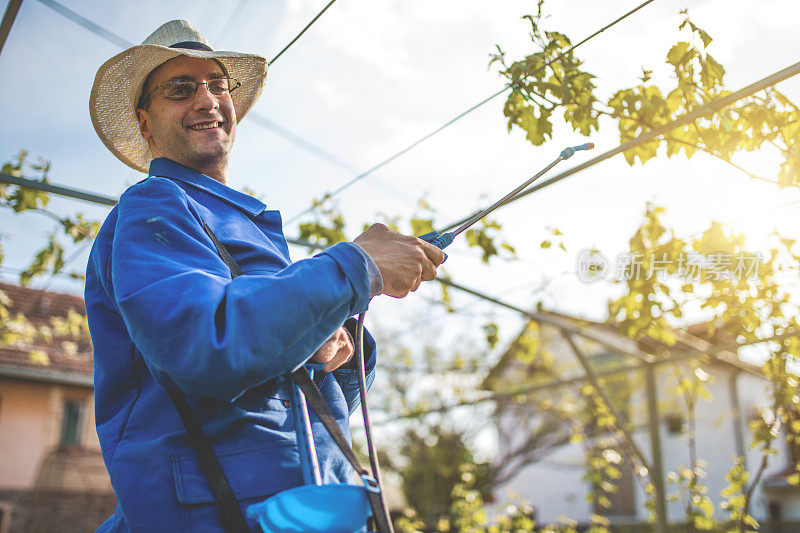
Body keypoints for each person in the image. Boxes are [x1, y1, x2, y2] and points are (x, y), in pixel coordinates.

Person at [85, 20, 445, 532]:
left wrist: (332, 344)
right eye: (181, 89)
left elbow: (291, 391)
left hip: (303, 502)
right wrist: (356, 266)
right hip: (223, 511)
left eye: (217, 84)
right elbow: (204, 344)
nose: (208, 99)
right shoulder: (156, 206)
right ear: (145, 125)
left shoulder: (242, 225)